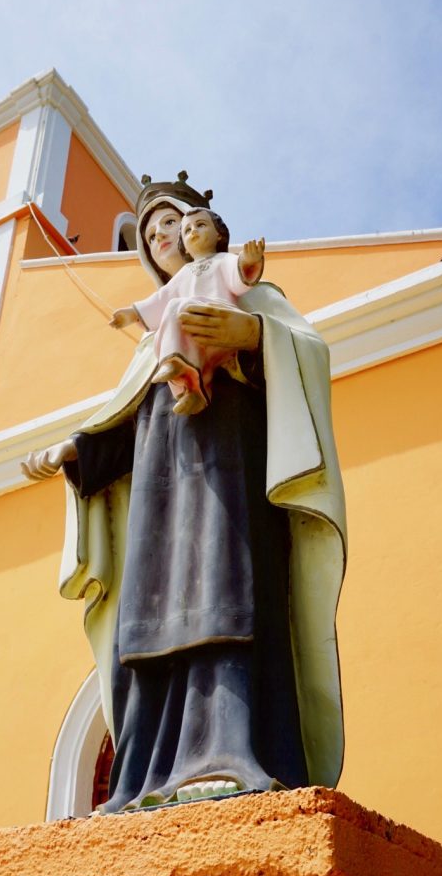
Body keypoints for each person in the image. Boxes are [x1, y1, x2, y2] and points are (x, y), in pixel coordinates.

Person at [22, 173, 346, 814]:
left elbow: (307, 350)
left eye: (170, 222)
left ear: (201, 230)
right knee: (146, 623)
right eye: (148, 232)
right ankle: (142, 779)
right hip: (157, 513)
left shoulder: (245, 291)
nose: (160, 236)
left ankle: (232, 755)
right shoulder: (152, 343)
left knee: (227, 593)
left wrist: (250, 338)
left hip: (228, 481)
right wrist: (77, 453)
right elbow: (127, 425)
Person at [109, 206, 265, 415]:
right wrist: (132, 314)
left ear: (218, 233)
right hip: (192, 339)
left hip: (218, 325)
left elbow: (239, 276)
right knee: (174, 308)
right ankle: (192, 392)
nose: (194, 232)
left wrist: (249, 260)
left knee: (176, 307)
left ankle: (175, 362)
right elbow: (160, 300)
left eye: (200, 225)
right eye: (188, 229)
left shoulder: (222, 260)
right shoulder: (184, 274)